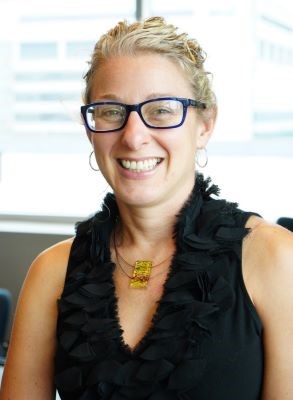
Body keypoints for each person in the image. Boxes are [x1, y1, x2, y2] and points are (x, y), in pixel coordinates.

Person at [0, 16, 293, 400]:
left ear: (205, 124)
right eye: (110, 111)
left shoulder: (275, 259)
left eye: (161, 109)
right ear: (91, 129)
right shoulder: (51, 272)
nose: (134, 136)